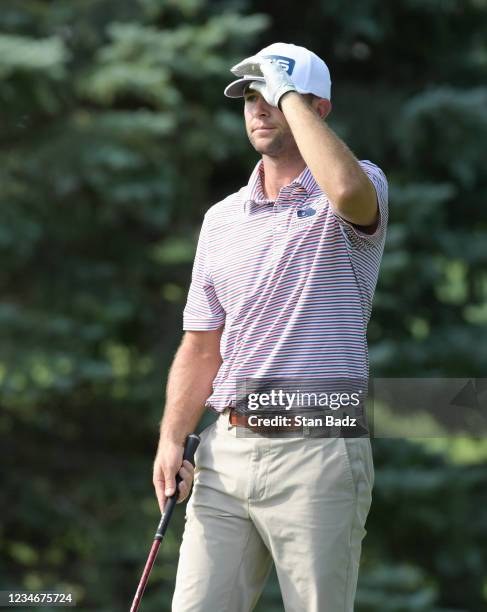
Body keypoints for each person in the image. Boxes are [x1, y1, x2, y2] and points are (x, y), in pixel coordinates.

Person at [153, 42, 388, 612]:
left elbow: (349, 192)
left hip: (318, 451)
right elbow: (201, 344)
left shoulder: (358, 188)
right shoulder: (222, 219)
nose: (259, 109)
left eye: (275, 97)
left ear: (318, 108)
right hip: (224, 452)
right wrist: (170, 436)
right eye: (250, 98)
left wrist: (286, 89)